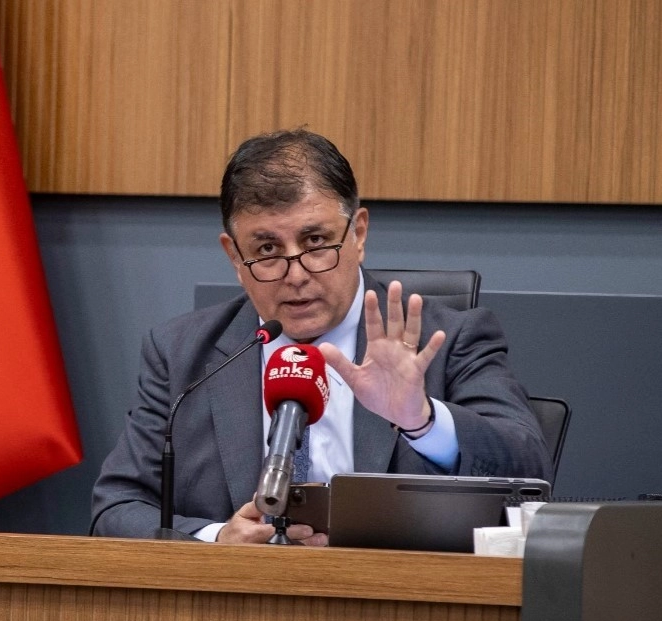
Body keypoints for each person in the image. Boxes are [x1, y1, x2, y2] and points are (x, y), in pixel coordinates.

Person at [91, 128, 550, 544]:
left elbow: (530, 476)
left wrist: (421, 420)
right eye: (267, 249)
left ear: (359, 234)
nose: (296, 275)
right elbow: (116, 508)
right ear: (234, 256)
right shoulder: (181, 354)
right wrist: (217, 541)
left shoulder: (449, 339)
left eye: (315, 242)